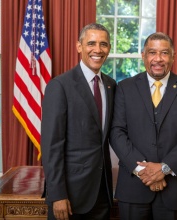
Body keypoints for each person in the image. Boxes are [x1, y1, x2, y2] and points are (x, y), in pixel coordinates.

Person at [110, 32, 177, 220]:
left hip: (176, 190)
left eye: (164, 53)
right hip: (134, 188)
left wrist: (163, 168)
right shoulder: (124, 88)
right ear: (143, 55)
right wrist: (145, 172)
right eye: (152, 52)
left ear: (173, 56)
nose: (158, 59)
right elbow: (116, 132)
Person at [41, 23, 116, 220]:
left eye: (103, 44)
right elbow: (51, 145)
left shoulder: (111, 85)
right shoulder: (60, 86)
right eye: (91, 43)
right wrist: (57, 194)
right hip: (70, 195)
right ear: (79, 46)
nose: (98, 50)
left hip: (103, 192)